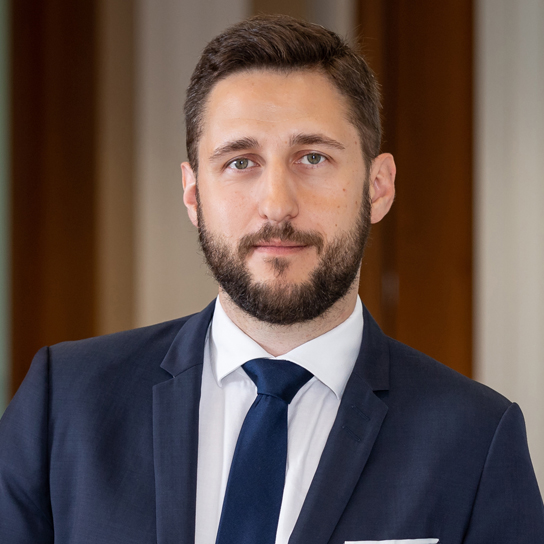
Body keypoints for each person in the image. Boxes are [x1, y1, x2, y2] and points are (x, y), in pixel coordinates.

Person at [0, 14, 543, 544]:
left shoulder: (477, 440)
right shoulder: (63, 404)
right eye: (240, 162)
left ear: (378, 187)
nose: (277, 205)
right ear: (193, 192)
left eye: (313, 157)